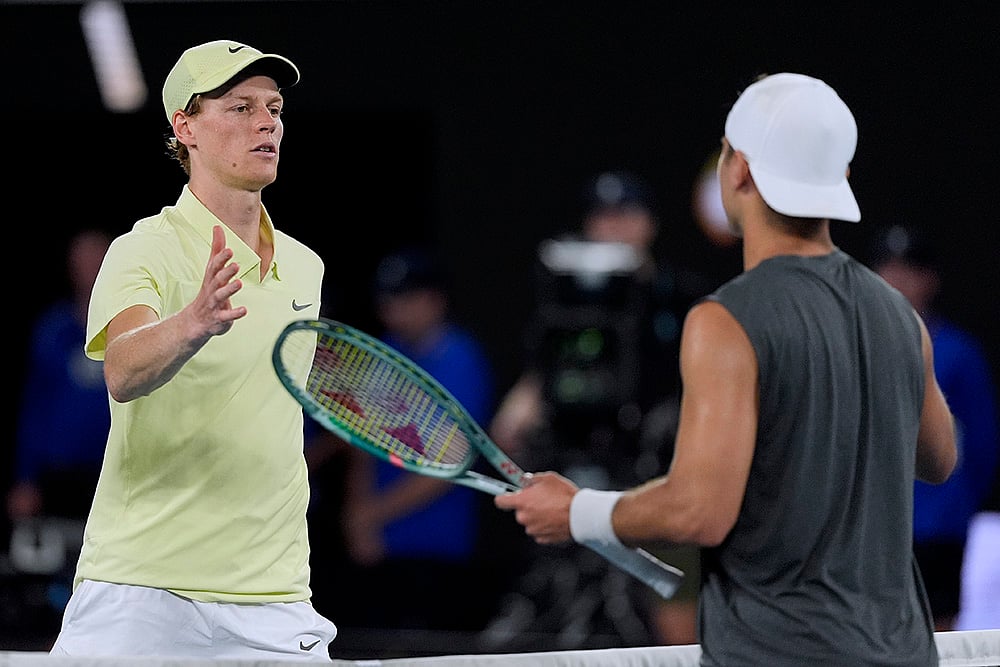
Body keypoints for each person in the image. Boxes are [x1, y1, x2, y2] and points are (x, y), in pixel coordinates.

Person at [495, 72, 958, 666]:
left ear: (737, 171)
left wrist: (578, 511)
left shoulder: (725, 320)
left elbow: (699, 510)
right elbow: (939, 459)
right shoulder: (899, 314)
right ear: (840, 179)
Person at [48, 40, 337, 661]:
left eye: (275, 109)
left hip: (273, 594)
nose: (267, 123)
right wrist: (191, 324)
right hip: (142, 588)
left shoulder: (305, 268)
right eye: (239, 107)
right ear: (186, 127)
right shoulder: (141, 249)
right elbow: (122, 371)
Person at [487, 170, 710, 648]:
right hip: (576, 473)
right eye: (602, 218)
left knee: (670, 601)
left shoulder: (681, 295)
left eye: (625, 216)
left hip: (658, 479)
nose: (613, 229)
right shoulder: (562, 294)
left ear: (648, 224)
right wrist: (516, 414)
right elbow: (541, 374)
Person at [334, 246, 500, 636]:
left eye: (406, 297)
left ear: (434, 299)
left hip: (438, 552)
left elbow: (450, 464)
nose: (394, 308)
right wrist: (358, 519)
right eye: (387, 299)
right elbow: (362, 444)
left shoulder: (462, 359)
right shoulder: (383, 352)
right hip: (378, 550)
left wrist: (371, 514)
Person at [870, 224, 1000, 631]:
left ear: (931, 279)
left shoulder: (960, 354)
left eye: (910, 270)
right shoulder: (858, 348)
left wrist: (952, 505)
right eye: (888, 269)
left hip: (938, 530)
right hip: (873, 531)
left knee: (938, 633)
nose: (898, 280)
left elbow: (983, 448)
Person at [5, 228, 111, 644]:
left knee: (106, 571)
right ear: (70, 267)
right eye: (81, 259)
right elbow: (33, 409)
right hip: (59, 477)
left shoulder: (139, 330)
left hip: (115, 476)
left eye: (98, 258)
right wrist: (25, 479)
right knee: (49, 573)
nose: (89, 267)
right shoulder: (52, 330)